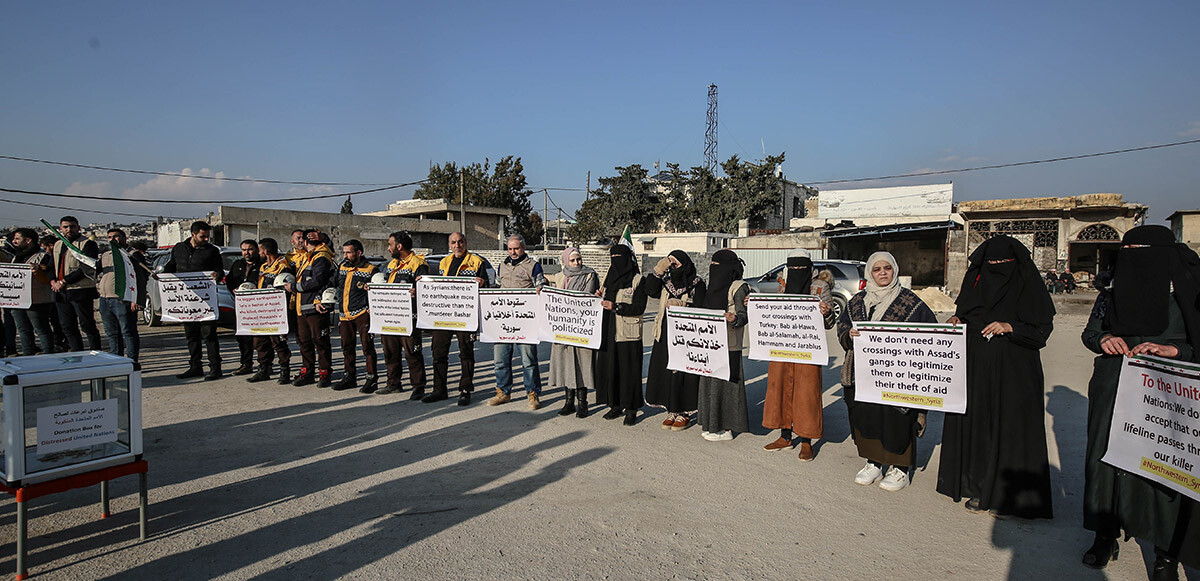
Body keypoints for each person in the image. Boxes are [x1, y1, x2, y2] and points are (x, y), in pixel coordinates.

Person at [1078, 225, 1200, 579]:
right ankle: (1104, 535)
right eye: (1127, 250)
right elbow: (1090, 332)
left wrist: (1175, 350)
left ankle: (1165, 552)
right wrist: (1105, 340)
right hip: (1113, 382)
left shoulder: (1189, 291)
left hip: (1167, 389)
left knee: (1162, 466)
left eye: (1140, 250)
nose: (1133, 259)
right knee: (1104, 457)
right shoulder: (1112, 290)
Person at [937, 235, 1055, 519]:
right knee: (978, 426)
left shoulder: (1029, 287)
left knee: (1011, 429)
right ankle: (978, 488)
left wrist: (1010, 327)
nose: (998, 268)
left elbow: (1041, 331)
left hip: (1016, 370)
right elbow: (965, 313)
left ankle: (1010, 497)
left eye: (1005, 263)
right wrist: (958, 320)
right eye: (992, 263)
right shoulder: (974, 284)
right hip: (974, 367)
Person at [836, 252, 936, 490]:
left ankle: (900, 468)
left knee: (897, 418)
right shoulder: (858, 301)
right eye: (877, 269)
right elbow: (843, 325)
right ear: (870, 273)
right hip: (863, 374)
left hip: (899, 376)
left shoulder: (911, 302)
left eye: (887, 268)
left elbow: (930, 333)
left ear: (895, 270)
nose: (882, 273)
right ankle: (874, 462)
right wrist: (848, 335)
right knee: (867, 415)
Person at [762, 253, 836, 460]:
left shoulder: (820, 287)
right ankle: (785, 436)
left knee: (806, 395)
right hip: (783, 346)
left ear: (809, 267)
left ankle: (806, 440)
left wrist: (826, 312)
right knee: (781, 390)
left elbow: (830, 323)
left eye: (800, 268)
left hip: (808, 349)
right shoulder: (782, 284)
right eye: (792, 268)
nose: (796, 272)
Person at [644, 250, 706, 430]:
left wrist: (681, 305)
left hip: (687, 337)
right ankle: (671, 409)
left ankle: (684, 411)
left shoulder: (697, 283)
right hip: (664, 333)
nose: (673, 266)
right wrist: (659, 269)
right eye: (670, 263)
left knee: (683, 372)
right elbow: (650, 290)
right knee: (667, 370)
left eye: (676, 263)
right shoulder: (666, 283)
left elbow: (703, 308)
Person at [427, 231, 488, 405]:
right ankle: (439, 389)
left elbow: (487, 288)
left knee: (466, 353)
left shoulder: (477, 262)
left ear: (466, 243)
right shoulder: (444, 262)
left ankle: (465, 389)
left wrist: (482, 283)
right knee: (438, 352)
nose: (457, 245)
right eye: (453, 242)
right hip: (444, 316)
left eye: (460, 242)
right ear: (449, 245)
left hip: (465, 317)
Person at [696, 249, 751, 441]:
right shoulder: (713, 285)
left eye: (717, 266)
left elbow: (744, 315)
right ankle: (711, 424)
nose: (714, 269)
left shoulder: (739, 287)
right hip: (709, 343)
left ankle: (727, 428)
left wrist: (735, 318)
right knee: (710, 385)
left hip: (729, 343)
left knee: (727, 387)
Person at [488, 234, 547, 410]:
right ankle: (503, 392)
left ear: (524, 247)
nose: (513, 252)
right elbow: (495, 288)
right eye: (510, 249)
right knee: (500, 359)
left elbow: (542, 285)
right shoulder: (502, 266)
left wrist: (540, 290)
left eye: (517, 248)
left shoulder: (533, 266)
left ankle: (532, 393)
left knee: (528, 360)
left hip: (525, 322)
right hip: (503, 320)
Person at [164, 220, 226, 380]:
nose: (206, 239)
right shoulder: (179, 249)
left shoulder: (212, 251)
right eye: (202, 236)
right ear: (193, 234)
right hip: (185, 302)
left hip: (205, 302)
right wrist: (162, 275)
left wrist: (217, 275)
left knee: (209, 335)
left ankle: (215, 368)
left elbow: (219, 270)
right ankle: (195, 366)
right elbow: (172, 266)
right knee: (191, 336)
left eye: (207, 236)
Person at [594, 244, 647, 425]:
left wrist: (616, 307)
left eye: (619, 256)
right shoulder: (607, 280)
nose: (616, 260)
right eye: (613, 256)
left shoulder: (638, 280)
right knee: (611, 370)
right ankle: (614, 405)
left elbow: (640, 307)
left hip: (628, 334)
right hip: (608, 332)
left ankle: (631, 409)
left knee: (629, 372)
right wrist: (598, 297)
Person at [319, 239, 379, 392]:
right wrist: (319, 298)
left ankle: (371, 378)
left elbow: (379, 291)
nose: (345, 255)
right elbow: (331, 283)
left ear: (359, 253)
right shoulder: (342, 266)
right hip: (344, 314)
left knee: (367, 347)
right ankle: (349, 376)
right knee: (347, 347)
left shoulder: (371, 269)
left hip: (362, 313)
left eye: (349, 252)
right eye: (344, 252)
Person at [375, 231, 428, 398]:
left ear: (399, 246)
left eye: (390, 244)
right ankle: (393, 383)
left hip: (409, 318)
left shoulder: (418, 264)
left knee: (412, 353)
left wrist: (416, 292)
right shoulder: (390, 265)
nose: (388, 248)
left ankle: (418, 386)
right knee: (390, 352)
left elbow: (425, 289)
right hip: (390, 316)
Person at [548, 247, 599, 418]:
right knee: (565, 364)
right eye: (573, 260)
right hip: (563, 328)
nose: (577, 263)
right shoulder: (559, 276)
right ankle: (568, 402)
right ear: (565, 261)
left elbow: (586, 297)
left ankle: (582, 403)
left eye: (579, 259)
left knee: (581, 364)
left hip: (581, 327)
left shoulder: (590, 275)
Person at [286, 230, 336, 387]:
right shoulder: (307, 257)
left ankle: (324, 373)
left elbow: (317, 281)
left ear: (307, 242)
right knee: (304, 343)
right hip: (302, 308)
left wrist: (294, 287)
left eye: (303, 239)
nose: (301, 242)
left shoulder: (321, 257)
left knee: (320, 342)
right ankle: (307, 371)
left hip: (315, 309)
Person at [50, 216, 102, 352]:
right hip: (61, 293)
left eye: (72, 226)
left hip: (80, 291)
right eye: (65, 227)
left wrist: (64, 281)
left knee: (87, 325)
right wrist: (53, 281)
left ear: (78, 227)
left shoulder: (87, 244)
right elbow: (52, 266)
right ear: (60, 228)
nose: (69, 229)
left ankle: (95, 353)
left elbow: (87, 267)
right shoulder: (58, 244)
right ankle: (77, 352)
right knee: (67, 326)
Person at [248, 238, 294, 384]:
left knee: (278, 342)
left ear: (266, 251)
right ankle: (264, 368)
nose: (258, 253)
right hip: (262, 310)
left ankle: (284, 370)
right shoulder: (263, 267)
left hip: (276, 311)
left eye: (260, 250)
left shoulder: (282, 266)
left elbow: (286, 287)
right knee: (260, 342)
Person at [97, 228, 147, 363]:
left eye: (116, 236)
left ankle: (132, 362)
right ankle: (116, 362)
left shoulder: (132, 254)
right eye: (109, 237)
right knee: (112, 334)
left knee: (128, 333)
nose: (113, 239)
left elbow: (141, 278)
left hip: (123, 300)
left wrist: (136, 299)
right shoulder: (105, 255)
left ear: (124, 238)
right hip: (105, 299)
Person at [8, 228, 56, 355]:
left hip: (38, 301)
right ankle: (27, 356)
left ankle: (48, 355)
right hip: (18, 301)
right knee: (23, 331)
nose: (14, 241)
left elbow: (48, 279)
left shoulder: (43, 257)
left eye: (18, 239)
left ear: (28, 240)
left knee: (41, 330)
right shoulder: (16, 257)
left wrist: (37, 271)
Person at [226, 239, 262, 376]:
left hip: (258, 307)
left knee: (260, 339)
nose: (247, 252)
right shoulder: (237, 264)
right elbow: (229, 280)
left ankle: (264, 365)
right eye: (244, 250)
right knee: (243, 337)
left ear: (257, 250)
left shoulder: (263, 264)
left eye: (250, 249)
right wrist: (233, 289)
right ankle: (246, 364)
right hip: (241, 308)